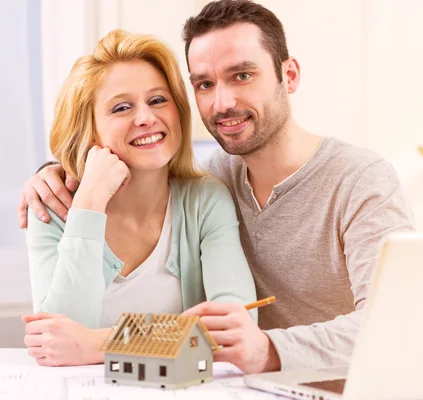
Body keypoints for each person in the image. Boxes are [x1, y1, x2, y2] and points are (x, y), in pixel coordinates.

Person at [18, 0, 414, 373]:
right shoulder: (217, 176)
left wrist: (266, 349)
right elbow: (58, 338)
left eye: (242, 75)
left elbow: (396, 326)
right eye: (205, 84)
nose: (223, 102)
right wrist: (62, 179)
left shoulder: (360, 181)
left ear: (288, 75)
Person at [20, 29, 256, 367]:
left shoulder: (205, 202)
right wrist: (87, 206)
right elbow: (58, 342)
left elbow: (235, 331)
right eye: (121, 107)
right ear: (89, 128)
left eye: (158, 100)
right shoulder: (51, 208)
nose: (145, 118)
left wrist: (98, 344)